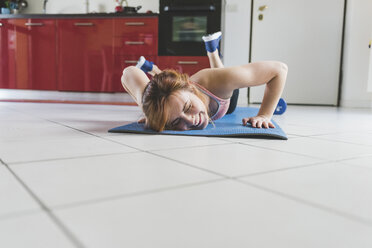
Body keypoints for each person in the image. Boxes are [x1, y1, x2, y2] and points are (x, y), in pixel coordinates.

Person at [121, 31, 288, 132]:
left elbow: (279, 70)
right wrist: (150, 110)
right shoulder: (162, 105)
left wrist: (265, 115)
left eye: (187, 107)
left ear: (191, 88)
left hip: (220, 96)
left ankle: (212, 52)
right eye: (176, 121)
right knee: (162, 90)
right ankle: (154, 68)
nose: (190, 120)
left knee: (224, 82)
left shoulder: (216, 82)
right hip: (187, 91)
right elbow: (127, 73)